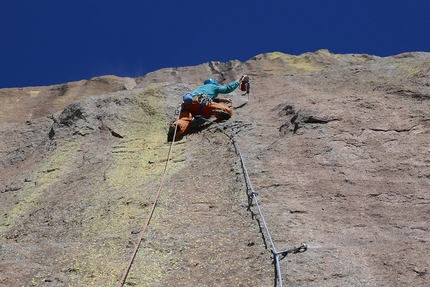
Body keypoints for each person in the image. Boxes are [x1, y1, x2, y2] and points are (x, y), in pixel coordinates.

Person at [168, 75, 249, 141]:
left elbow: (210, 96)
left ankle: (177, 127)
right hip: (202, 104)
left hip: (188, 105)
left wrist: (223, 99)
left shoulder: (200, 88)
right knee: (227, 110)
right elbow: (227, 89)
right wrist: (239, 80)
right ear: (215, 83)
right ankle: (218, 112)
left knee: (184, 120)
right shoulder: (214, 87)